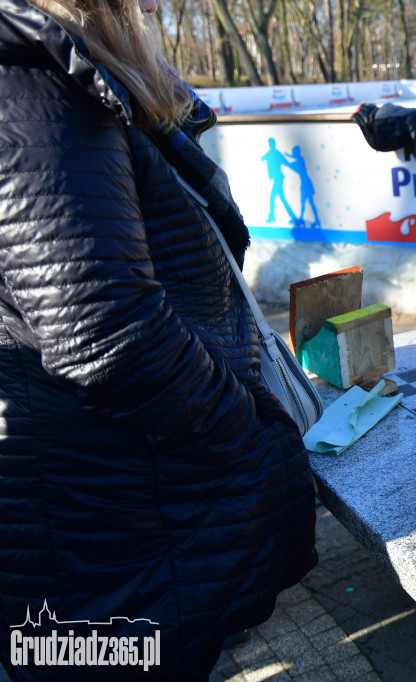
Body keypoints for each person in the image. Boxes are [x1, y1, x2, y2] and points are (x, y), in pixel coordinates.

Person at [0, 0, 317, 678]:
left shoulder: (62, 66)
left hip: (121, 493)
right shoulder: (30, 83)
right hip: (115, 504)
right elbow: (106, 332)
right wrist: (247, 432)